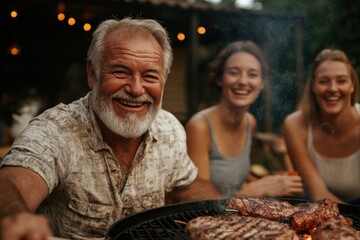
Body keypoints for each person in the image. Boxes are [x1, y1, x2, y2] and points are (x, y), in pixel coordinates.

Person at [0, 17, 221, 240]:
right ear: (92, 73)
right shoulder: (56, 130)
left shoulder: (169, 129)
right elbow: (12, 182)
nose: (136, 89)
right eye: (120, 72)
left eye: (150, 76)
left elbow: (188, 187)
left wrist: (225, 210)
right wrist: (14, 215)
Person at [185, 41, 304, 198]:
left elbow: (233, 180)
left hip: (237, 217)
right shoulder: (199, 127)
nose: (242, 81)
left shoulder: (250, 122)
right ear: (220, 79)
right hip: (206, 219)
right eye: (234, 73)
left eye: (253, 74)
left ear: (262, 83)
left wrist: (270, 182)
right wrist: (255, 190)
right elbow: (199, 200)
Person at [283, 48, 360, 205]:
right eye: (324, 81)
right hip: (321, 206)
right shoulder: (294, 125)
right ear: (313, 86)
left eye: (341, 81)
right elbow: (318, 193)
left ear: (352, 85)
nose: (332, 88)